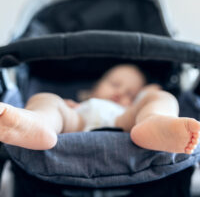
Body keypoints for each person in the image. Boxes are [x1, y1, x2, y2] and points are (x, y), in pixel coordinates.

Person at [0, 64, 199, 154]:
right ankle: (36, 123)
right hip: (77, 122)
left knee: (162, 97)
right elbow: (65, 108)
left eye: (131, 93)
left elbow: (150, 93)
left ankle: (156, 123)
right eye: (114, 84)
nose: (121, 92)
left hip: (124, 123)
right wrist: (63, 106)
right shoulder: (80, 104)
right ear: (88, 91)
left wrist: (145, 95)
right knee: (46, 100)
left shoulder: (130, 109)